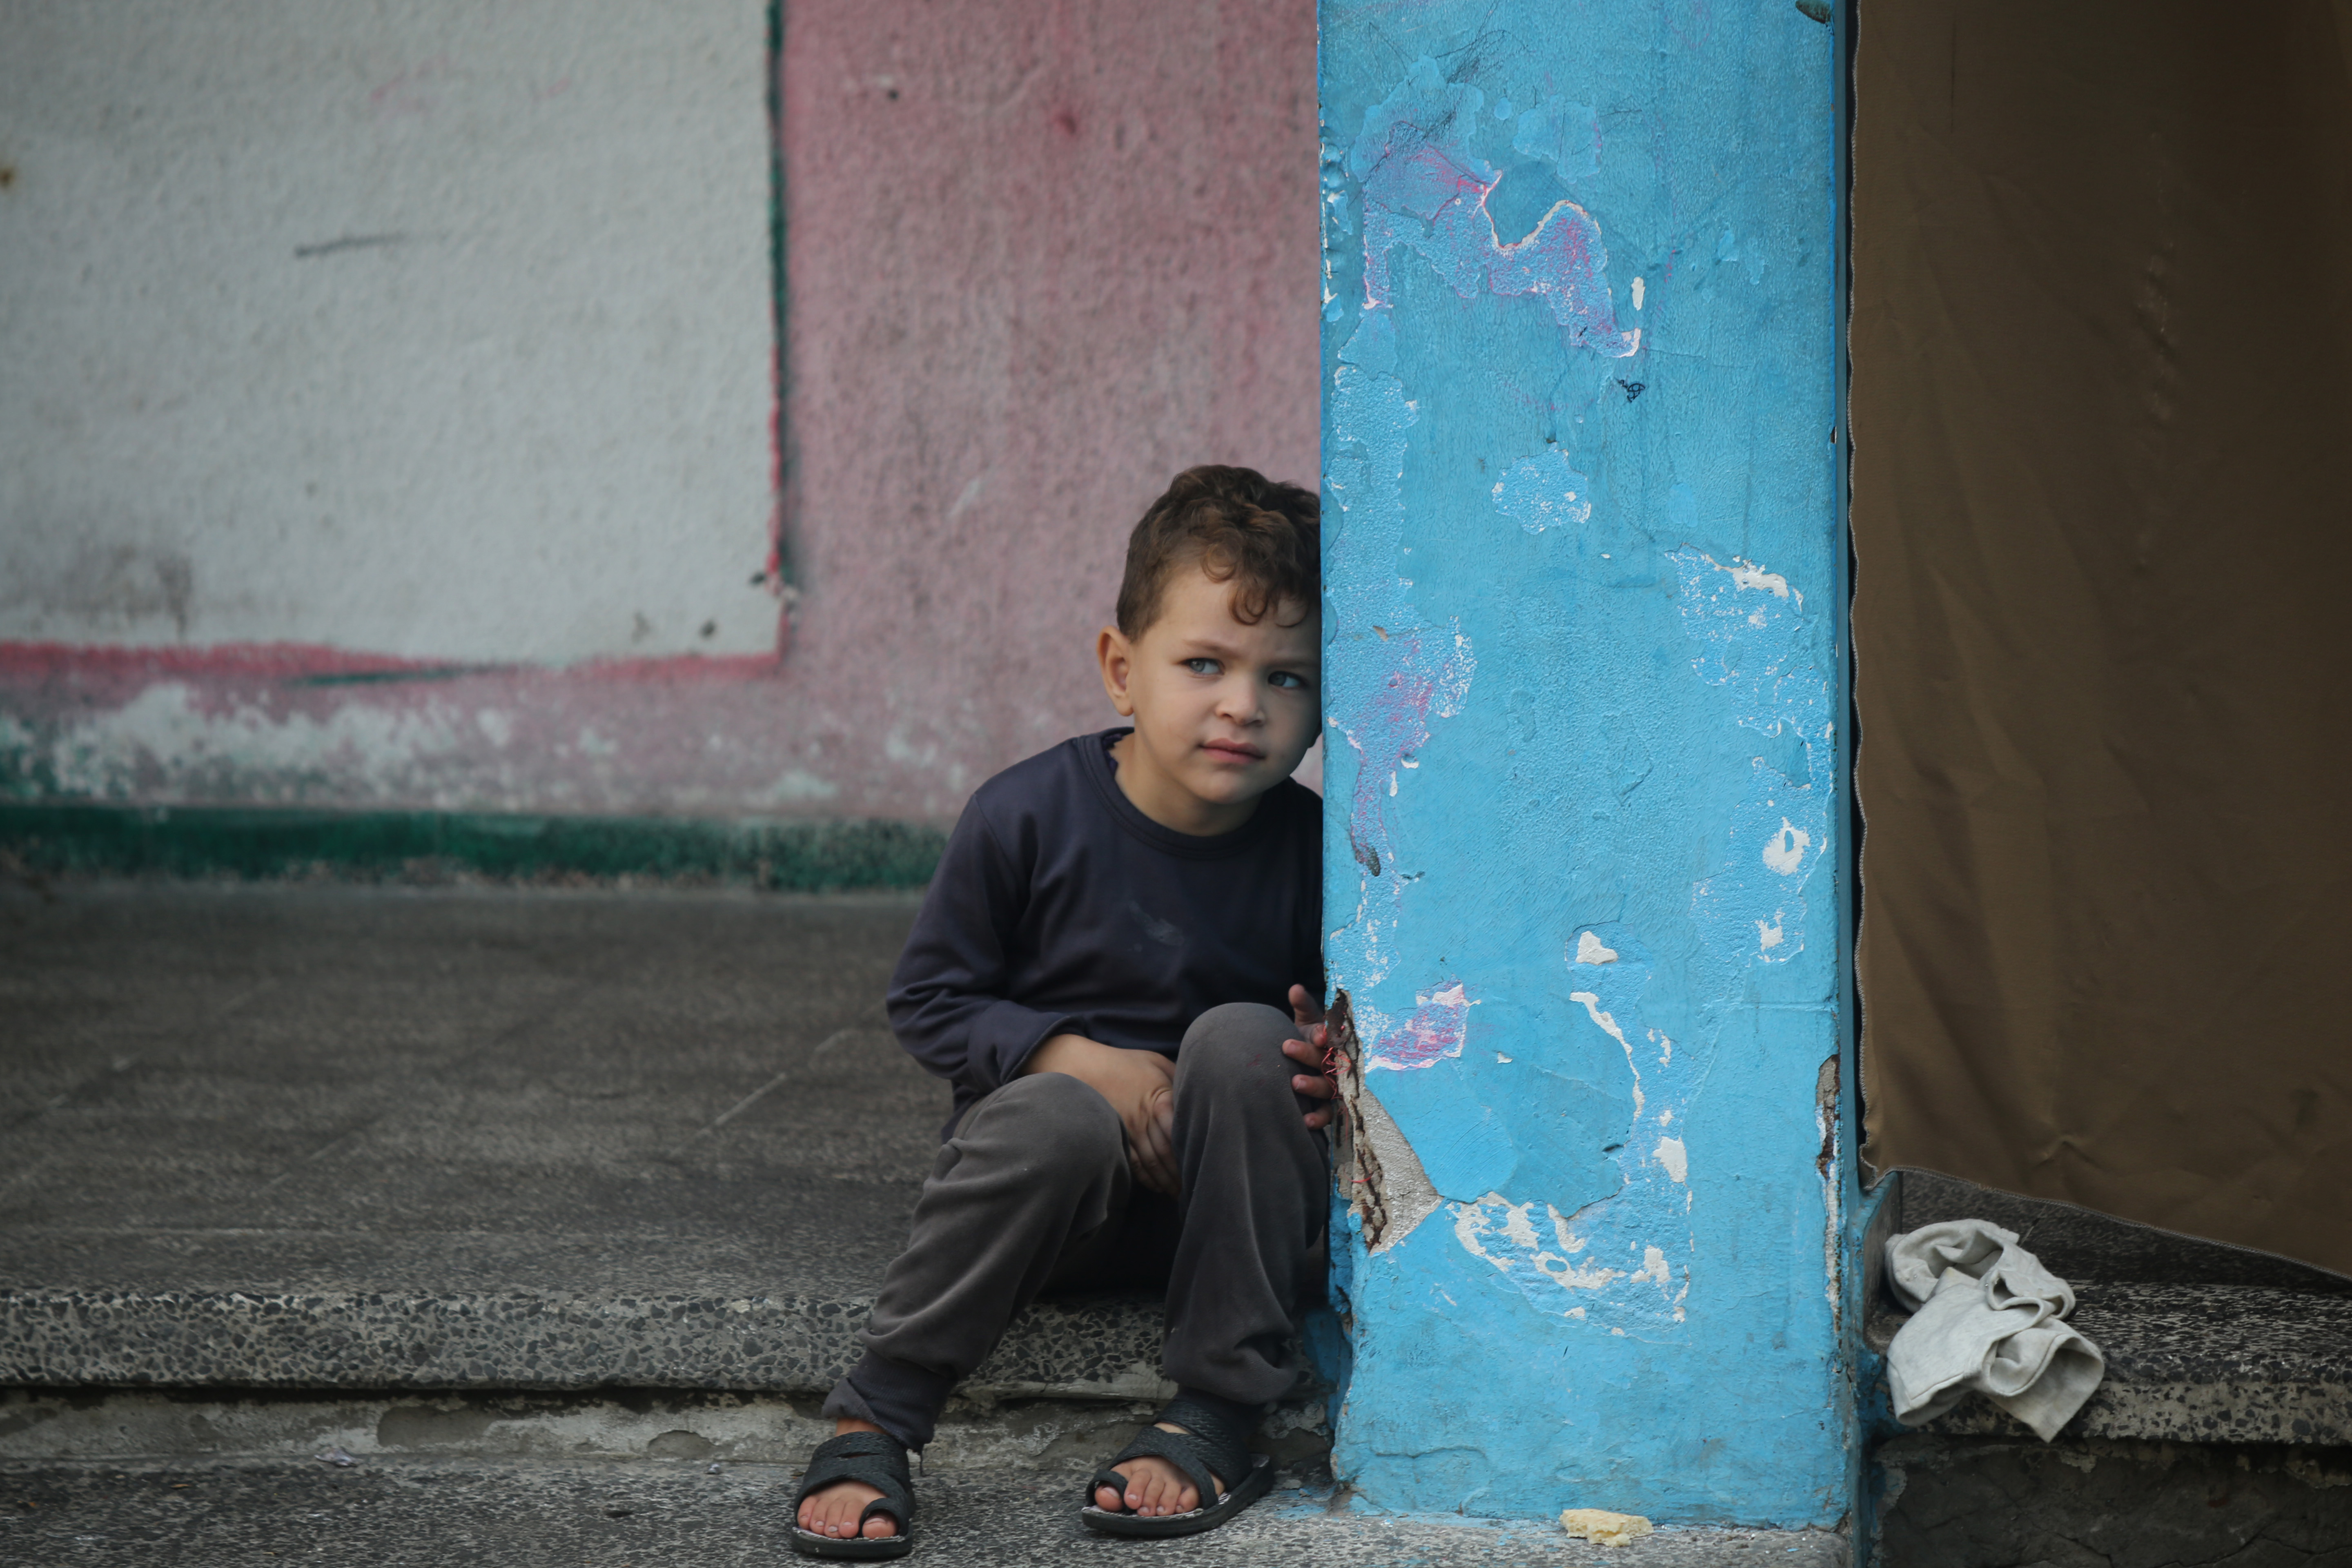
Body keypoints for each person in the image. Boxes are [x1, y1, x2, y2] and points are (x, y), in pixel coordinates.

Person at [788, 465, 1335, 1558]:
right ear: (1119, 670)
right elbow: (931, 1000)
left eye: (1288, 679)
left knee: (1243, 1039)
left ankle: (1220, 1409)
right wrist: (1081, 1061)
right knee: (1055, 1117)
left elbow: (1348, 1043)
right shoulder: (1024, 818)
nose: (1243, 704)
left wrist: (1324, 1068)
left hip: (1223, 1215)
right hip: (1056, 1214)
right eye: (1204, 664)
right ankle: (878, 1409)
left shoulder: (1323, 855)